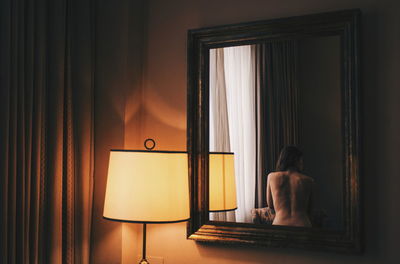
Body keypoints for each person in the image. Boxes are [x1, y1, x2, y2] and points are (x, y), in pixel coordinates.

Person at [266, 146, 314, 227]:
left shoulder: (272, 177)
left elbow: (270, 204)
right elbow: (310, 209)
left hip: (280, 224)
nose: (302, 164)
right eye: (301, 160)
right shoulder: (308, 180)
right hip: (302, 225)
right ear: (297, 160)